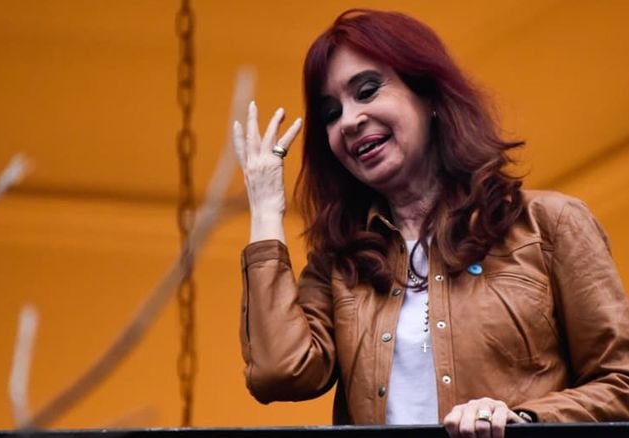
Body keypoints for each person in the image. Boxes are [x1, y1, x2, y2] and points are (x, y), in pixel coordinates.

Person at [232, 8, 629, 438]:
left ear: (430, 97)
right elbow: (279, 373)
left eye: (367, 91)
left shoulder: (549, 225)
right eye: (331, 113)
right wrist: (266, 210)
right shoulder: (340, 261)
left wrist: (524, 420)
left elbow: (621, 381)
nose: (348, 120)